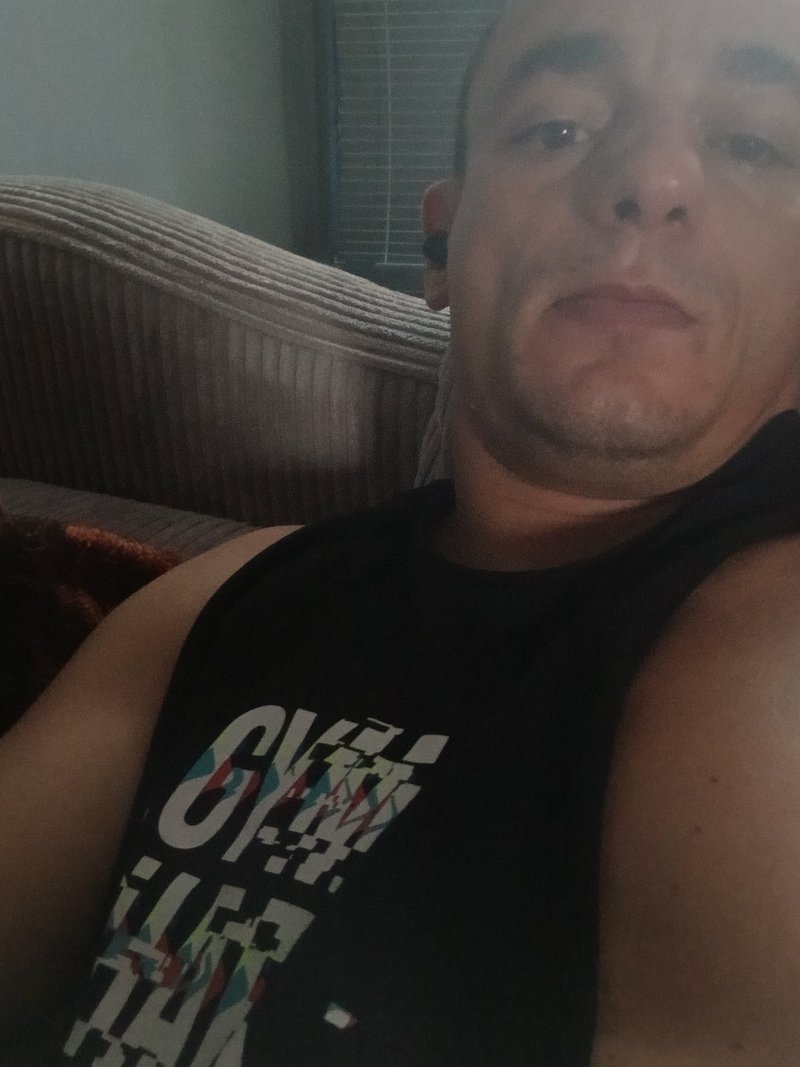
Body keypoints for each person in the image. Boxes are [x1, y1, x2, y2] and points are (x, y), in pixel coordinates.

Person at [7, 0, 800, 1061]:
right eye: (556, 127)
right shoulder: (227, 592)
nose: (651, 179)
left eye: (752, 143)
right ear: (440, 245)